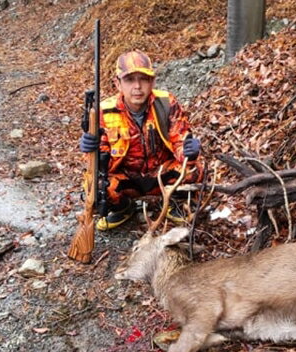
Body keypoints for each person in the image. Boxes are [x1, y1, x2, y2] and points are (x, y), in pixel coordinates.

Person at [78, 50, 204, 231]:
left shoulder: (166, 103)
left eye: (143, 79)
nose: (137, 86)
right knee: (95, 187)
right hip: (127, 179)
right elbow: (100, 166)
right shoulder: (104, 112)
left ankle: (173, 203)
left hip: (162, 175)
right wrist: (91, 151)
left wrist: (188, 150)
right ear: (118, 83)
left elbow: (180, 139)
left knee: (194, 169)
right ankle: (124, 208)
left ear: (152, 81)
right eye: (129, 80)